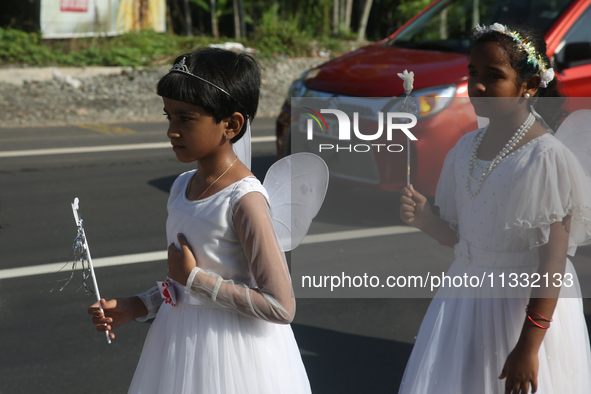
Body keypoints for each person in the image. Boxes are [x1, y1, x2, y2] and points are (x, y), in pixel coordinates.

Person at [88, 48, 311, 394]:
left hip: (235, 355)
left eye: (186, 119)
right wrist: (140, 305)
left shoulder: (244, 200)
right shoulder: (182, 187)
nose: (172, 131)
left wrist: (196, 280)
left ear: (231, 125)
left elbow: (281, 306)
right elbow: (179, 283)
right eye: (169, 117)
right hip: (179, 343)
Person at [398, 23, 591, 394]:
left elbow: (552, 263)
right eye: (473, 72)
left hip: (519, 312)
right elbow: (466, 240)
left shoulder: (546, 158)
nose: (478, 85)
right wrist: (426, 221)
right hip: (465, 301)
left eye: (493, 76)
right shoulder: (465, 148)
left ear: (530, 86)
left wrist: (529, 347)